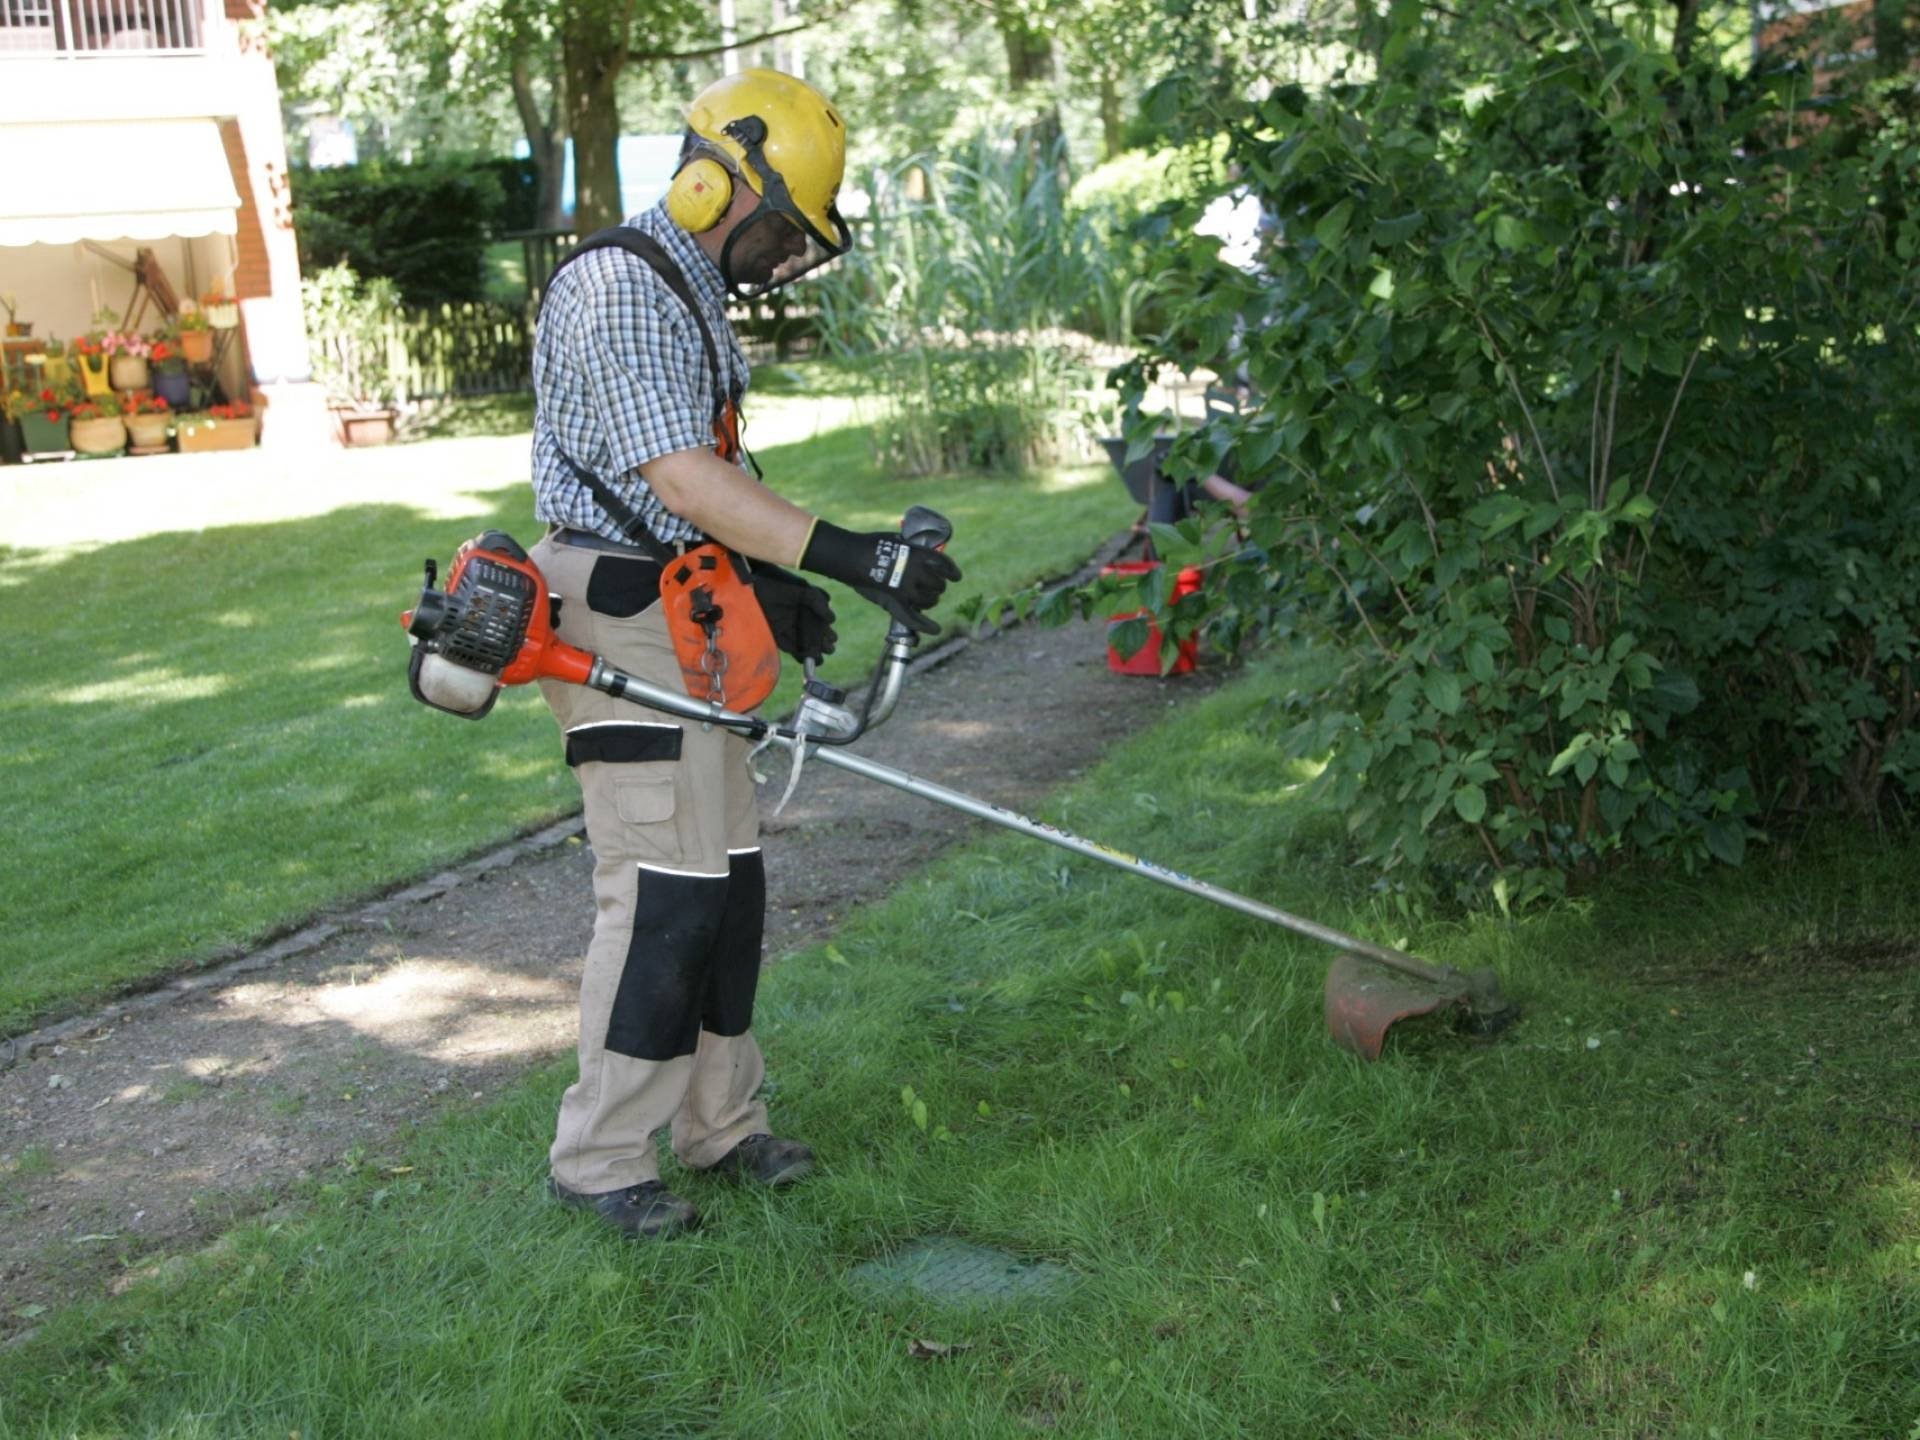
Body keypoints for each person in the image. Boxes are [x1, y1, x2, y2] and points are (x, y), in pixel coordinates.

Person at [527, 68, 960, 1241]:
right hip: (617, 615)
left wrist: (770, 580)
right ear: (715, 177)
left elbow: (700, 482)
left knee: (726, 882)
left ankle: (720, 1124)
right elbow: (675, 477)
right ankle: (601, 1157)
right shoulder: (620, 285)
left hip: (685, 610)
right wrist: (845, 554)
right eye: (776, 227)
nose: (777, 257)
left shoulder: (684, 291)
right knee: (663, 889)